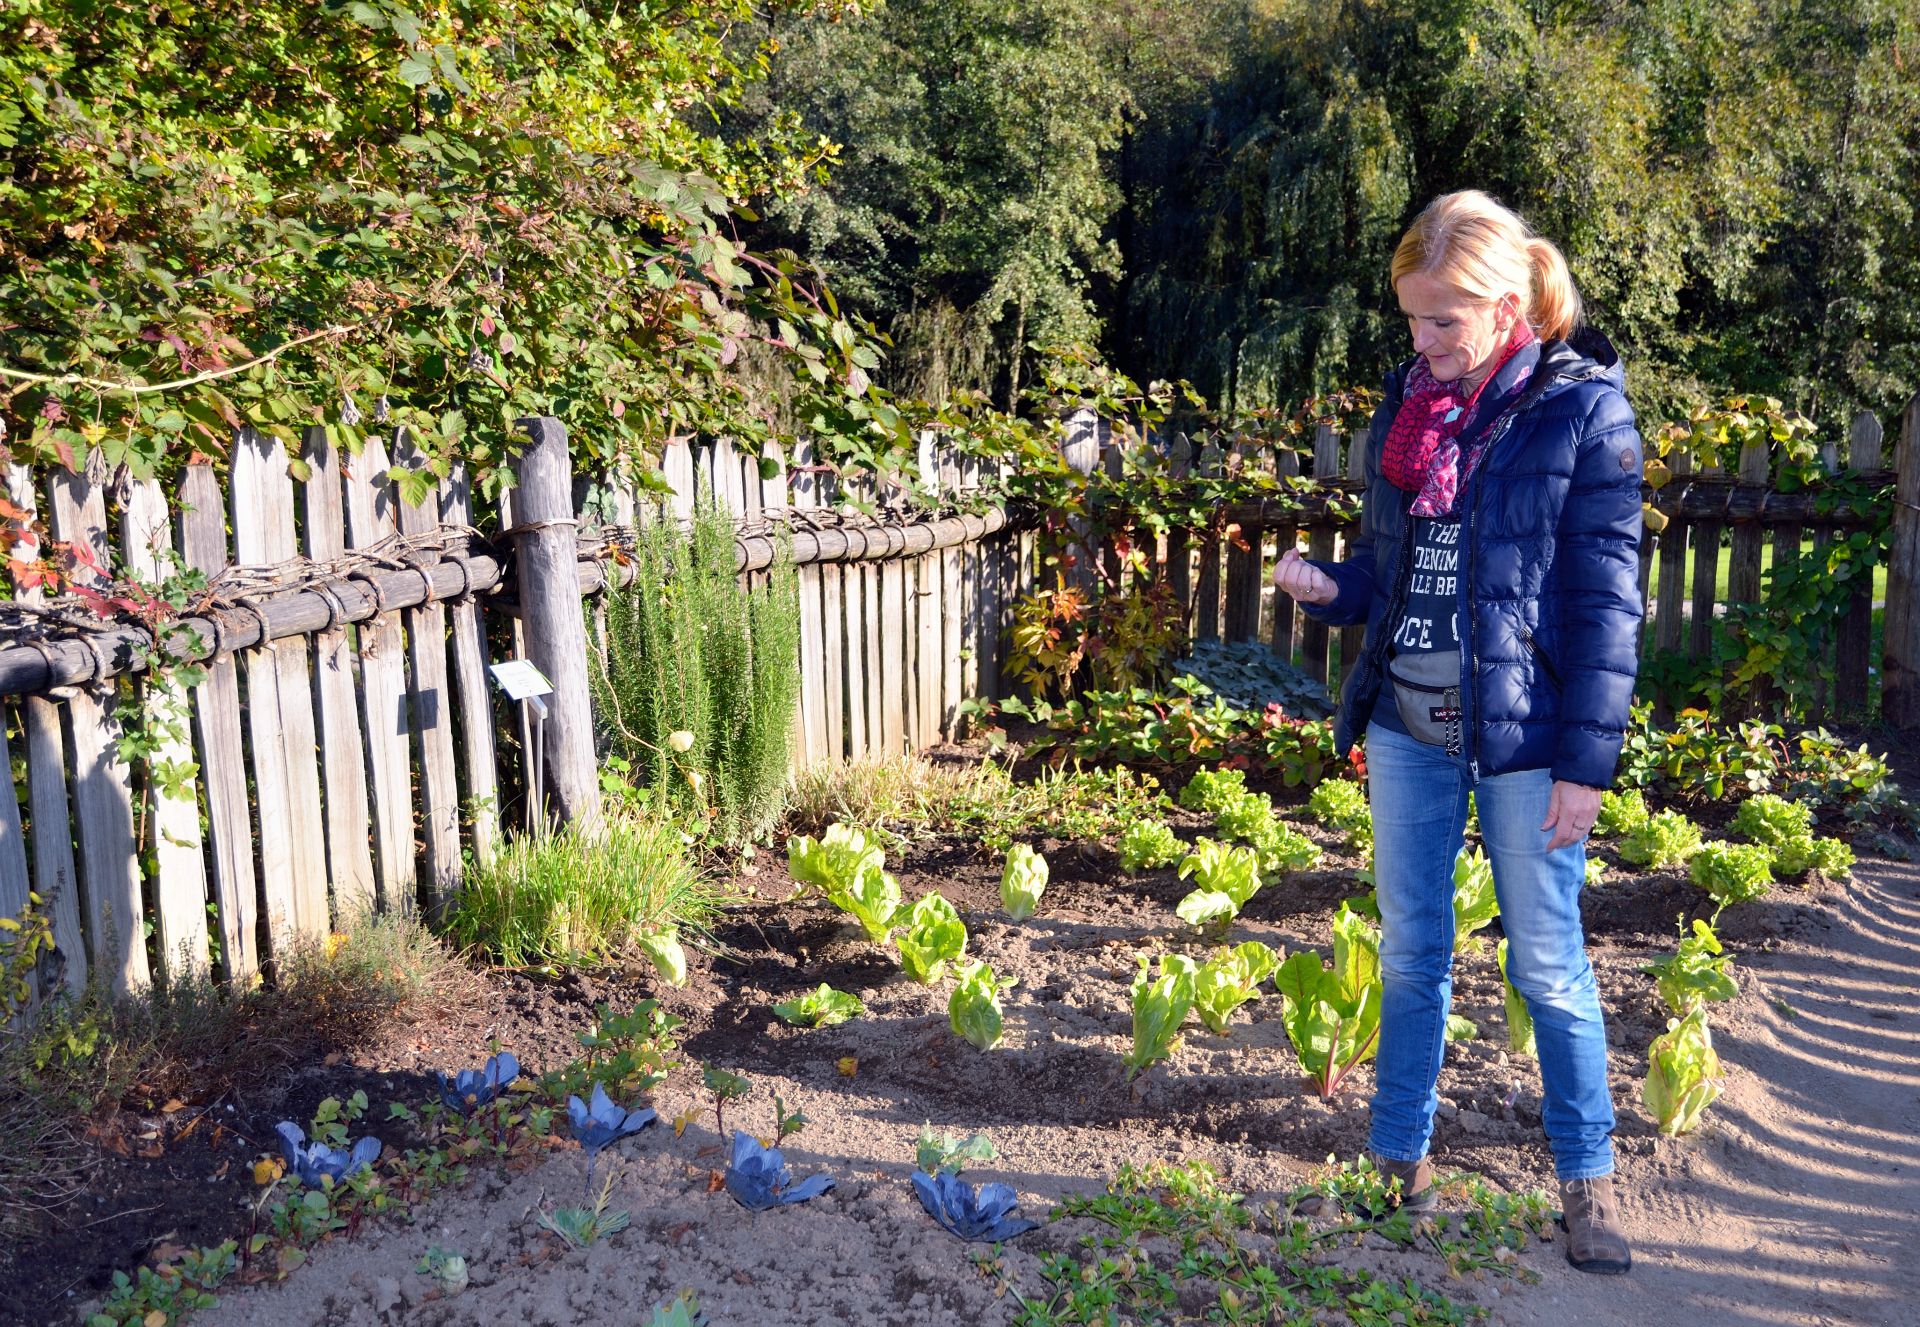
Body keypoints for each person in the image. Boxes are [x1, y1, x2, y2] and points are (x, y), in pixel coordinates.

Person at [1272, 190, 1643, 1275]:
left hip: (1527, 740)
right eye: (1412, 319)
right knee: (1411, 952)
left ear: (1507, 304)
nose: (1423, 341)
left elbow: (1606, 608)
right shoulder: (1410, 405)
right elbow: (1390, 573)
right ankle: (1399, 1164)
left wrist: (1586, 764)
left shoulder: (1584, 412)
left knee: (1548, 962)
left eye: (1444, 320)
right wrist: (1330, 588)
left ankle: (1588, 1182)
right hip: (1407, 723)